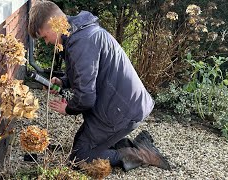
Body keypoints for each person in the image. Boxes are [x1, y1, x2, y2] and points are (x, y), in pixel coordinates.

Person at [28, 0, 170, 171]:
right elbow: (85, 74)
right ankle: (132, 145)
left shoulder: (82, 41)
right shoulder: (80, 33)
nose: (47, 42)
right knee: (81, 143)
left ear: (55, 24)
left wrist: (68, 109)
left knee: (79, 158)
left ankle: (142, 154)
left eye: (44, 37)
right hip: (119, 105)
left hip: (122, 112)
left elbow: (86, 98)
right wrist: (63, 81)